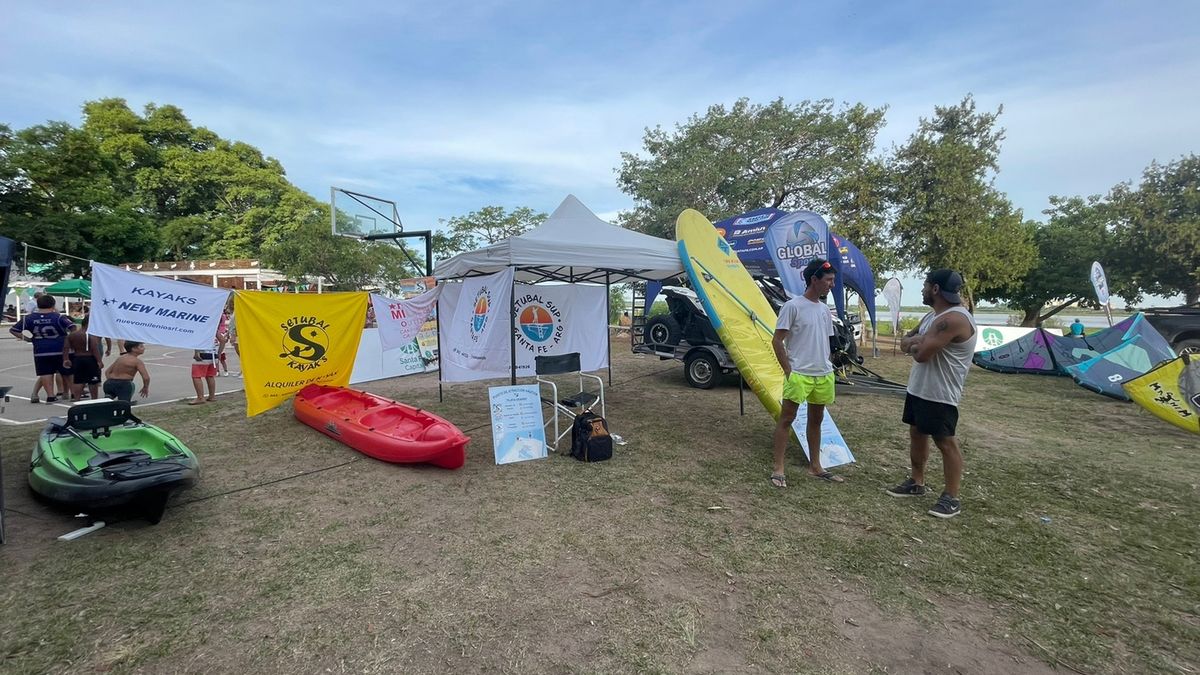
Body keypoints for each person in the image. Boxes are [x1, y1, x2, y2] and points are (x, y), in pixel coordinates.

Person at [887, 269, 978, 519]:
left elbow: (921, 354)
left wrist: (918, 343)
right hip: (919, 388)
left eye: (925, 285)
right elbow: (907, 341)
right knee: (916, 432)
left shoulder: (955, 319)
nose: (922, 289)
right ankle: (917, 482)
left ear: (935, 289)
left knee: (945, 441)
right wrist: (919, 340)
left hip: (941, 393)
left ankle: (951, 497)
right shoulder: (932, 317)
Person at [769, 258, 842, 487]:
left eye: (833, 281)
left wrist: (828, 364)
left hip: (822, 374)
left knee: (816, 420)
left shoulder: (824, 310)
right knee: (787, 419)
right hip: (799, 373)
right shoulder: (793, 306)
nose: (831, 284)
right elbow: (777, 340)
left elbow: (826, 342)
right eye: (828, 280)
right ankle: (778, 468)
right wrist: (788, 370)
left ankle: (816, 466)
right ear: (814, 280)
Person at [9, 293, 76, 403]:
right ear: (53, 304)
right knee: (67, 372)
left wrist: (27, 338)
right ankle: (74, 393)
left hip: (41, 350)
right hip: (61, 349)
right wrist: (69, 340)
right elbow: (72, 327)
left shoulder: (28, 318)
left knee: (45, 373)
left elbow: (13, 330)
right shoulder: (58, 317)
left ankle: (50, 395)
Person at [63, 314, 104, 401]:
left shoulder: (72, 335)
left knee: (78, 380)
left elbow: (66, 347)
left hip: (77, 359)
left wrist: (66, 359)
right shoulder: (90, 335)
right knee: (93, 381)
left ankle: (77, 398)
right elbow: (94, 348)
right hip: (89, 358)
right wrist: (99, 361)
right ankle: (94, 399)